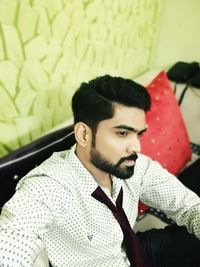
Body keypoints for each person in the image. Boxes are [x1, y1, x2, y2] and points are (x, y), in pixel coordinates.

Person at [0, 75, 200, 267]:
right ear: (84, 134)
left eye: (138, 134)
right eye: (123, 133)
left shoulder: (133, 165)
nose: (136, 147)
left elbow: (188, 206)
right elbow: (12, 242)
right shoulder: (48, 186)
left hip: (131, 252)